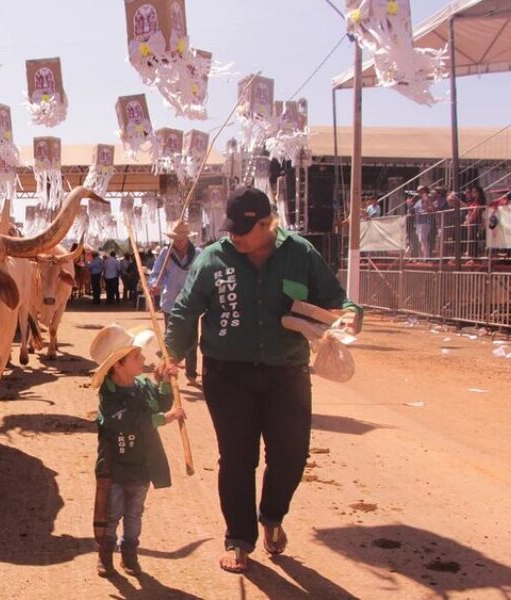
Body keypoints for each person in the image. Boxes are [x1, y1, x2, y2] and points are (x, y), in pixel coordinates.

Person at [164, 188, 361, 573]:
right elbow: (187, 309)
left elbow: (337, 299)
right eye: (231, 229)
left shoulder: (301, 254)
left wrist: (349, 316)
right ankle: (239, 538)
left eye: (244, 229)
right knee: (237, 459)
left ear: (267, 223)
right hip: (227, 374)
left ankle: (271, 517)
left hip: (287, 373)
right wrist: (171, 352)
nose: (234, 236)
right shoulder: (213, 258)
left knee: (291, 456)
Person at [89, 324, 184, 578]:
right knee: (113, 513)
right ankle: (106, 554)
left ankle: (129, 554)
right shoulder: (109, 398)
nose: (144, 359)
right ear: (118, 365)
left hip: (141, 466)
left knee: (134, 514)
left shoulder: (142, 385)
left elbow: (159, 403)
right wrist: (166, 418)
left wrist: (164, 383)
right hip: (115, 468)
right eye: (136, 356)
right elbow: (133, 420)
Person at [149, 220, 200, 384]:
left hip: (189, 303)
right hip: (170, 302)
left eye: (181, 238)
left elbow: (202, 276)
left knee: (191, 338)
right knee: (170, 339)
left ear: (187, 238)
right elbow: (157, 273)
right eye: (175, 239)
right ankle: (168, 371)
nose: (178, 242)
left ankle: (191, 373)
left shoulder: (198, 253)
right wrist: (155, 285)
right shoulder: (166, 253)